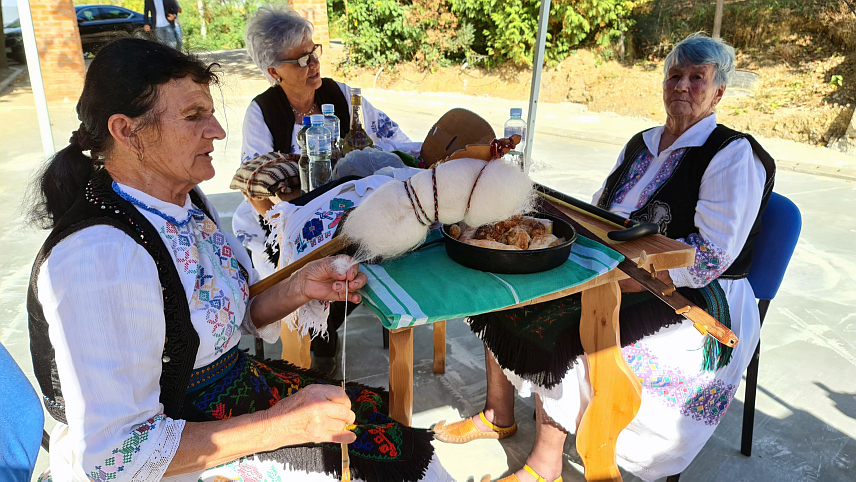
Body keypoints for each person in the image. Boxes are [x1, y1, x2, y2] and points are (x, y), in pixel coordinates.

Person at [26, 38, 448, 482]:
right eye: (193, 117)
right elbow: (116, 457)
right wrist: (284, 425)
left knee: (389, 437)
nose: (218, 132)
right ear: (127, 132)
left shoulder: (182, 199)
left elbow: (227, 314)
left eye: (209, 113)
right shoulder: (97, 259)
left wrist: (299, 286)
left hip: (226, 390)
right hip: (173, 451)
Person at [433, 33, 776, 481]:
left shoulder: (732, 155)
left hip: (693, 290)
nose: (682, 87)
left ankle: (545, 462)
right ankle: (499, 413)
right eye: (675, 76)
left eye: (697, 78)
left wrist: (619, 277)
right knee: (511, 289)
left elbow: (711, 256)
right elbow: (600, 210)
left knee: (570, 325)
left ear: (719, 92)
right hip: (618, 265)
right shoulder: (643, 143)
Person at [233, 5, 421, 375]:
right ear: (274, 72)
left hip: (341, 207)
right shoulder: (263, 111)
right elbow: (255, 187)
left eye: (314, 52)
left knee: (374, 243)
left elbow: (393, 139)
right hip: (277, 219)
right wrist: (295, 220)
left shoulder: (339, 94)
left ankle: (332, 322)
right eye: (300, 60)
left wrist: (433, 153)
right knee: (309, 255)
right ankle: (319, 340)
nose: (313, 64)